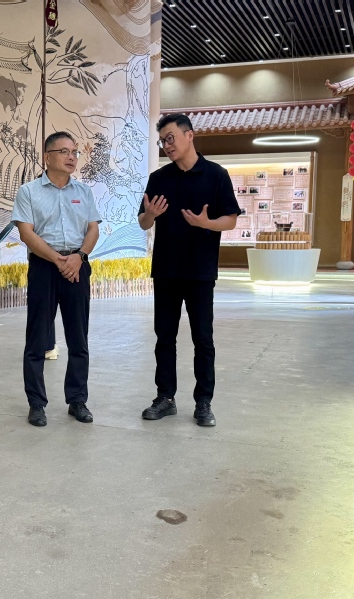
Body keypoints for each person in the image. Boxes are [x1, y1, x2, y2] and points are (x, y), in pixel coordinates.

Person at [139, 113, 240, 427]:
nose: (167, 145)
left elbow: (231, 219)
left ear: (189, 135)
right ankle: (165, 398)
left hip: (200, 272)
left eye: (170, 138)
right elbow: (143, 221)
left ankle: (203, 402)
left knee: (203, 339)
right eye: (162, 141)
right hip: (166, 271)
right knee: (164, 338)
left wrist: (207, 223)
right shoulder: (159, 178)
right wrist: (150, 215)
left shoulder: (216, 175)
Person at [11, 131, 101, 427]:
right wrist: (57, 259)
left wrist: (79, 256)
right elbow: (27, 233)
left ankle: (77, 400)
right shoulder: (28, 192)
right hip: (44, 268)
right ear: (47, 157)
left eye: (74, 152)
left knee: (79, 338)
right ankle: (36, 403)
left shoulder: (84, 192)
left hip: (77, 265)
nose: (71, 157)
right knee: (37, 338)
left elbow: (93, 229)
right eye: (64, 152)